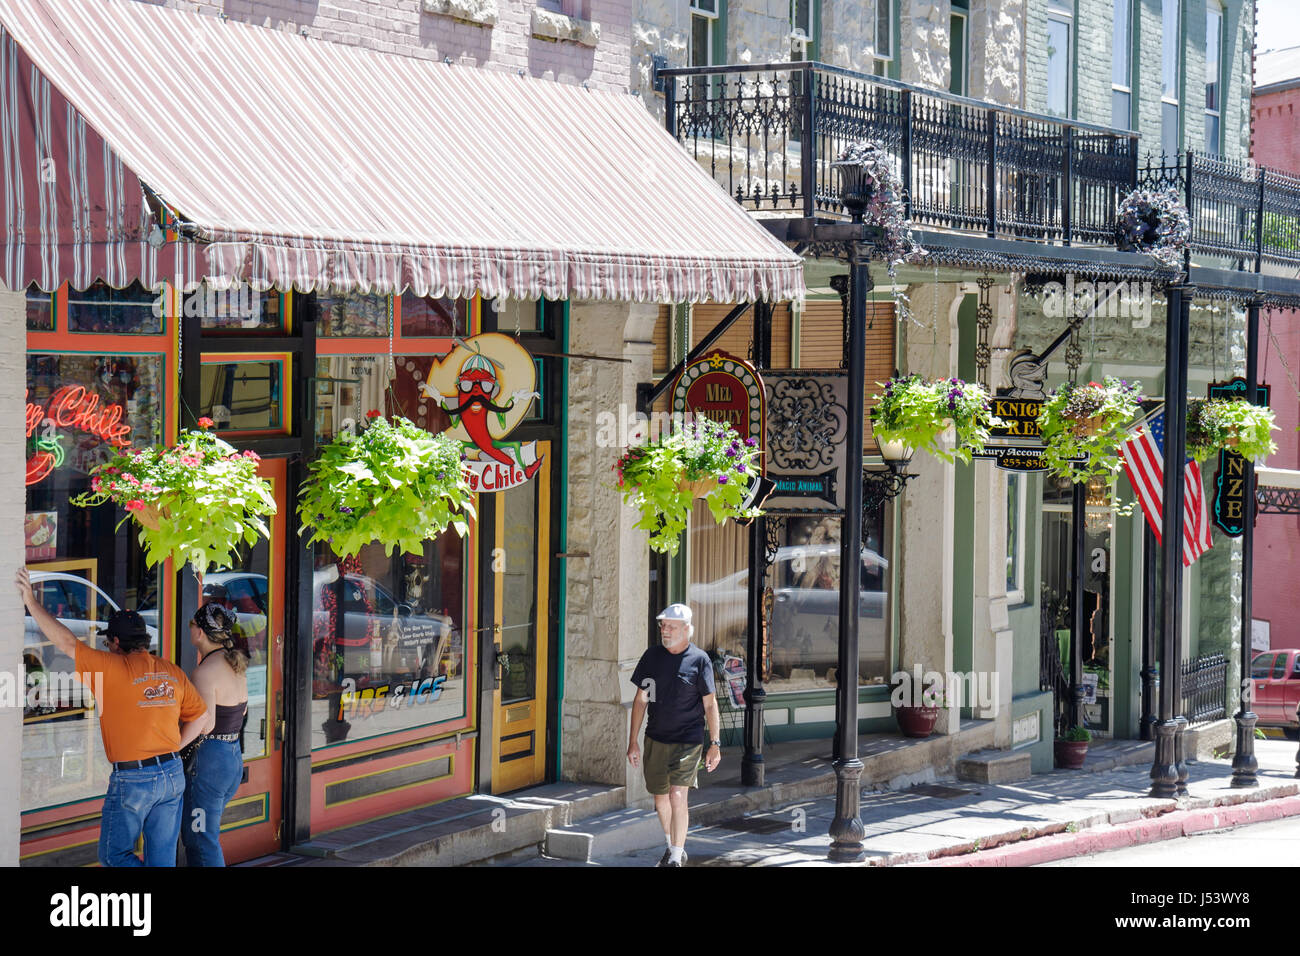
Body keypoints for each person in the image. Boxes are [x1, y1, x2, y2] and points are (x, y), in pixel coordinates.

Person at [15, 567, 208, 867]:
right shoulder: (171, 671)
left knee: (113, 855)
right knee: (162, 860)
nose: (106, 647)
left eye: (107, 643)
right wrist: (173, 748)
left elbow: (67, 643)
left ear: (116, 642)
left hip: (134, 778)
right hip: (172, 773)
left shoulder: (111, 668)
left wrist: (30, 600)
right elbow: (202, 717)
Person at [627, 603, 721, 867]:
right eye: (663, 626)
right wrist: (633, 741)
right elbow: (641, 700)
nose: (664, 630)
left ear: (686, 629)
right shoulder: (652, 657)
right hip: (656, 737)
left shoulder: (699, 660)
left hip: (688, 740)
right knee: (660, 799)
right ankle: (672, 847)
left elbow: (710, 704)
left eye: (671, 626)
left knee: (677, 795)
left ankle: (676, 858)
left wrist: (715, 743)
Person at [181, 601, 249, 866]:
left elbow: (205, 725)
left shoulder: (204, 672)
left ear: (199, 632)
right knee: (204, 836)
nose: (190, 630)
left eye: (192, 625)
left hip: (209, 764)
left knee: (201, 839)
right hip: (232, 758)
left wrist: (173, 746)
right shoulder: (235, 664)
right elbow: (242, 712)